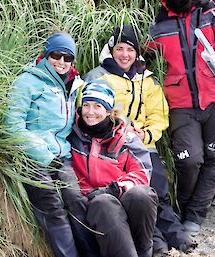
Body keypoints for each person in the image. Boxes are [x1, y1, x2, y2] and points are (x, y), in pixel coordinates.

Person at [83, 24, 193, 256]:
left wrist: (146, 134)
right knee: (136, 193)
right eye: (120, 48)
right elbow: (91, 111)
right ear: (111, 50)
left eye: (130, 50)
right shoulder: (98, 76)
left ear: (137, 53)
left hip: (144, 145)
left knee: (159, 193)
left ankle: (179, 237)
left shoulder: (148, 80)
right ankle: (158, 245)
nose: (125, 55)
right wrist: (122, 130)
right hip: (112, 145)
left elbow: (159, 115)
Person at [149, 0, 215, 236]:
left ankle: (194, 216)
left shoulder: (212, 13)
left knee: (213, 158)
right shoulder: (161, 22)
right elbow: (142, 52)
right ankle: (185, 208)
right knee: (189, 160)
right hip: (181, 102)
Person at [5, 32, 99, 257]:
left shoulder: (74, 86)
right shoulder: (27, 81)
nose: (62, 62)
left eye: (68, 58)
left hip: (61, 156)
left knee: (76, 200)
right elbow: (12, 125)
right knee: (53, 206)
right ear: (46, 55)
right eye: (56, 55)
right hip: (30, 156)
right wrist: (44, 155)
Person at [69, 80, 158, 257]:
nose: (90, 112)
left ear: (109, 111)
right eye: (86, 105)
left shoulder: (126, 138)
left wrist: (115, 188)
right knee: (104, 203)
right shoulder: (72, 134)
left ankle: (144, 252)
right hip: (92, 205)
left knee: (141, 195)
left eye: (97, 106)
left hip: (121, 198)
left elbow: (142, 173)